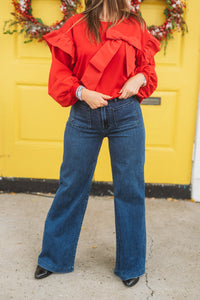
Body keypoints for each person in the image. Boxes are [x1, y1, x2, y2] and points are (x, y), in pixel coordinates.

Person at [34, 0, 160, 287]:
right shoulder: (77, 25)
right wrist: (82, 92)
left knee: (130, 189)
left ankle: (131, 265)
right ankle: (54, 258)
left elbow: (148, 70)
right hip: (84, 113)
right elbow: (60, 74)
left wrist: (139, 79)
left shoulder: (135, 24)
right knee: (71, 185)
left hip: (126, 114)